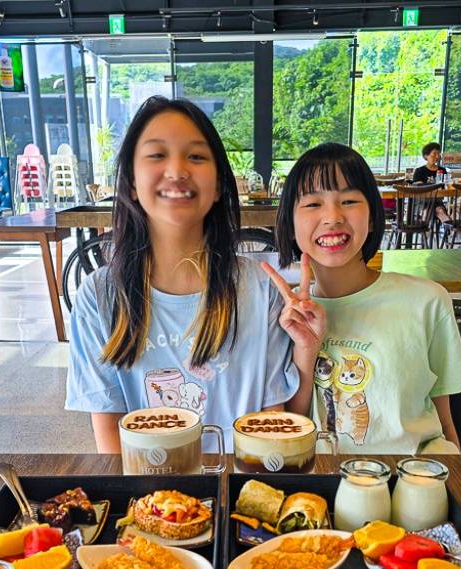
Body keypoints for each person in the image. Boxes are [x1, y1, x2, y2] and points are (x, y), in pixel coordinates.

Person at [65, 97, 301, 452]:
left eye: (196, 156)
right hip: (146, 486)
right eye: (157, 155)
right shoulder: (99, 296)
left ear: (219, 184)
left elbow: (271, 426)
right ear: (131, 182)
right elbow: (111, 445)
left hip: (243, 482)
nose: (176, 170)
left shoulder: (261, 289)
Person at [264, 142, 461, 455]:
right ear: (290, 225)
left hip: (412, 477)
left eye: (349, 201)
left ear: (373, 216)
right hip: (324, 478)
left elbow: (444, 422)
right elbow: (291, 432)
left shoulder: (427, 301)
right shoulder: (283, 316)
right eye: (313, 204)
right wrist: (306, 348)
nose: (333, 217)